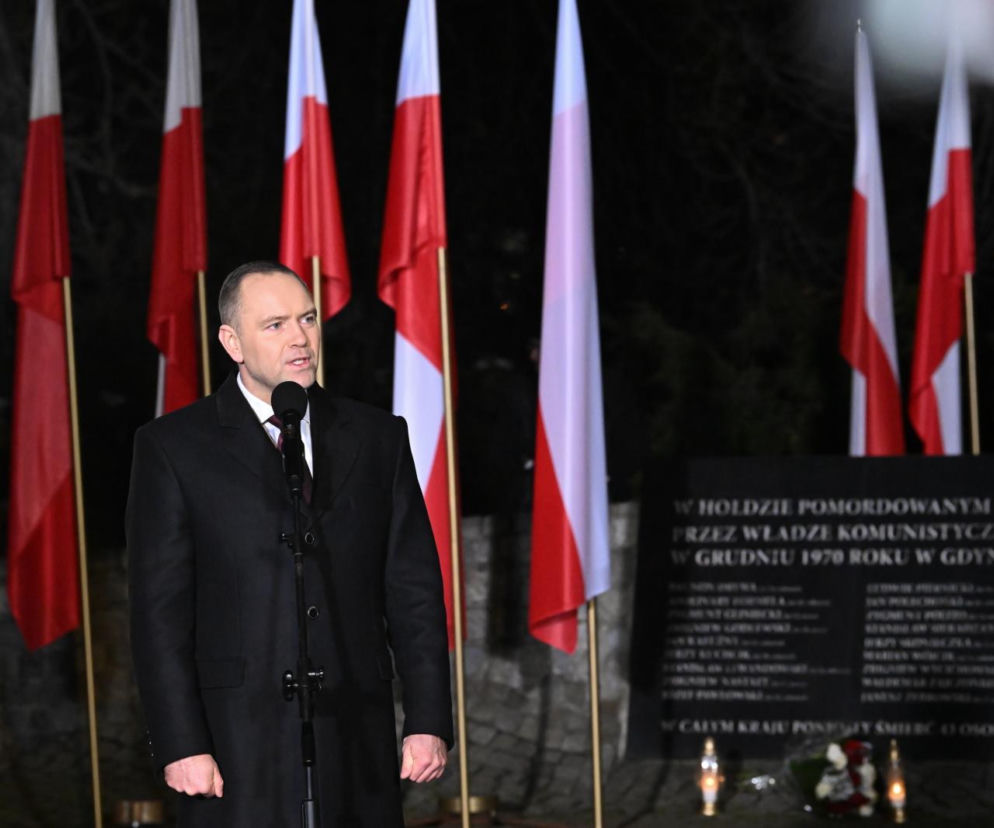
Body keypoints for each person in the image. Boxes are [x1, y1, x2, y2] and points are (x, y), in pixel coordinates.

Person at [127, 261, 452, 826]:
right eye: (275, 324)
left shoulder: (378, 437)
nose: (301, 338)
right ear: (232, 341)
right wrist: (181, 741)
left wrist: (428, 720)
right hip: (233, 744)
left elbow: (413, 590)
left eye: (307, 318)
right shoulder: (173, 448)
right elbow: (159, 613)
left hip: (356, 737)